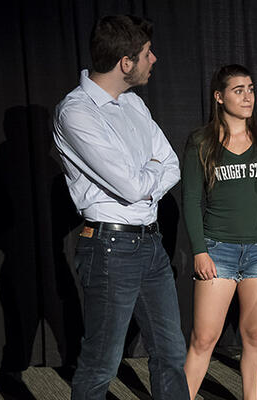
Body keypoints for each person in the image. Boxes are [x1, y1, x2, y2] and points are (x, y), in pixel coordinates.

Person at [52, 15, 189, 399]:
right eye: (147, 53)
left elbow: (172, 164)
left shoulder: (133, 105)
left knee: (171, 353)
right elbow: (130, 187)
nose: (154, 59)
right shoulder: (76, 112)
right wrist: (148, 175)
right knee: (101, 363)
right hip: (110, 249)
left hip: (151, 245)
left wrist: (146, 176)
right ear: (125, 63)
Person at [182, 64, 257, 400]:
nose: (248, 97)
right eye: (239, 90)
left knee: (255, 337)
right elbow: (190, 200)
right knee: (204, 338)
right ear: (219, 97)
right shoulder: (201, 141)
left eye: (251, 89)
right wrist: (199, 250)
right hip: (217, 251)